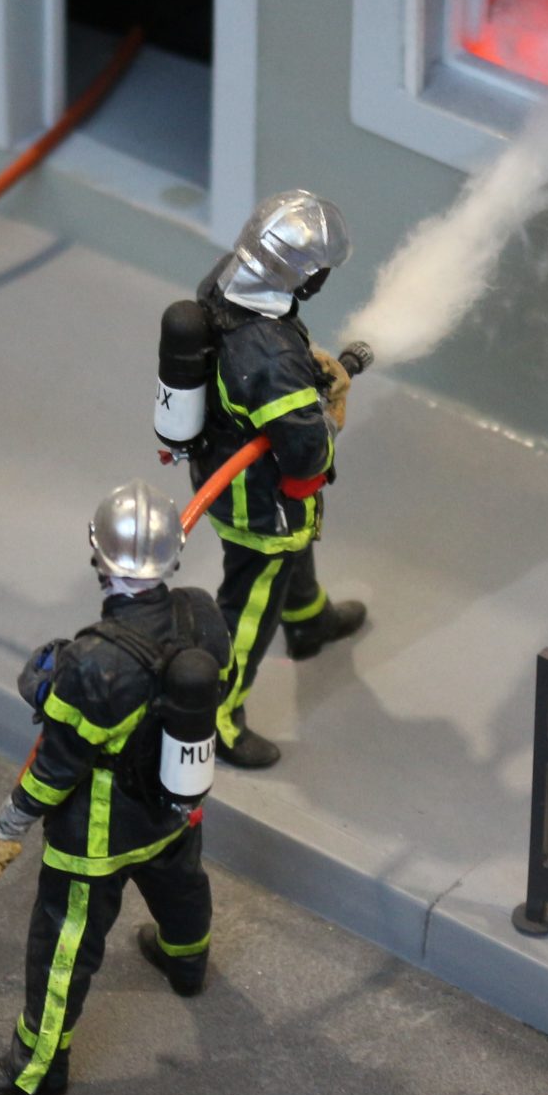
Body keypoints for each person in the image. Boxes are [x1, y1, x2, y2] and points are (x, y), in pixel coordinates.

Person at [0, 481, 230, 1095]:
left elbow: (56, 767)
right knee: (182, 886)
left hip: (98, 836)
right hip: (174, 808)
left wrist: (5, 826)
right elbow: (224, 680)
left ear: (99, 557)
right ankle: (186, 962)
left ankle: (35, 1068)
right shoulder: (201, 613)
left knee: (63, 945)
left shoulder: (92, 662)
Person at [189, 189, 368, 769]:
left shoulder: (227, 281)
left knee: (295, 550)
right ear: (305, 276)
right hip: (258, 501)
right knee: (249, 604)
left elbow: (257, 370)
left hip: (222, 461)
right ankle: (217, 714)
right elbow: (304, 453)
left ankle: (309, 622)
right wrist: (326, 413)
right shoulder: (269, 358)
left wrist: (304, 370)